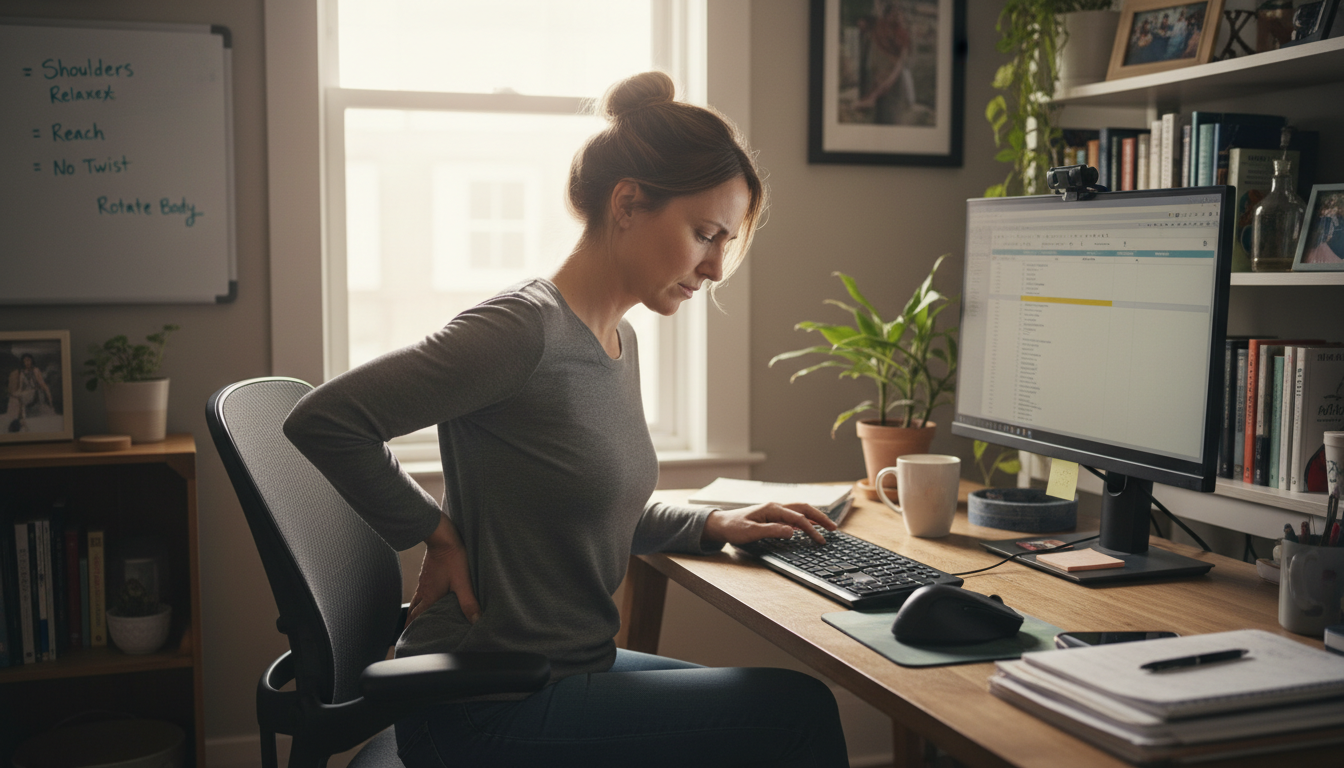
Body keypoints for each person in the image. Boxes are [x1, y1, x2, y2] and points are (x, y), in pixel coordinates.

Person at [284, 71, 850, 768]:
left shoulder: (617, 340)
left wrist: (711, 525)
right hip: (484, 707)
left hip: (564, 672)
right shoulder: (521, 332)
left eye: (726, 242)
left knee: (783, 706)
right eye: (706, 234)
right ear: (629, 203)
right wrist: (433, 531)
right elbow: (325, 419)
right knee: (795, 715)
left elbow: (586, 506)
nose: (716, 268)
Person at [6, 353, 54, 432]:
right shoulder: (22, 372)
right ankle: (17, 421)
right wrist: (15, 394)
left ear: (31, 361)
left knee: (22, 397)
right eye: (25, 361)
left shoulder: (36, 370)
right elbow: (21, 388)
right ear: (23, 362)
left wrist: (49, 398)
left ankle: (21, 420)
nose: (27, 362)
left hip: (36, 393)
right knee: (15, 398)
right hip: (27, 393)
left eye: (28, 360)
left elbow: (42, 384)